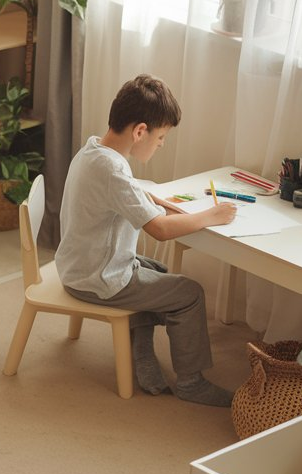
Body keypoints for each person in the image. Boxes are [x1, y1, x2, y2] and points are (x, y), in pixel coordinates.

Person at [55, 74, 237, 406]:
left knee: (159, 270)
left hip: (78, 264)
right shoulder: (114, 172)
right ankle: (191, 383)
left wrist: (153, 200)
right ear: (140, 131)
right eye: (161, 137)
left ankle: (140, 352)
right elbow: (161, 230)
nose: (161, 144)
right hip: (98, 277)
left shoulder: (94, 150)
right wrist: (212, 216)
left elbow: (126, 192)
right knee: (189, 294)